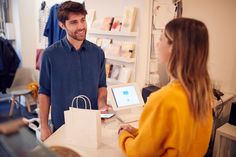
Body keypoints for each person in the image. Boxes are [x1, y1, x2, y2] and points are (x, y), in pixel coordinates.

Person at [118, 18, 213, 157]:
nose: (157, 43)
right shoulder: (203, 95)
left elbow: (138, 154)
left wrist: (124, 136)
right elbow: (175, 140)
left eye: (161, 39)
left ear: (173, 47)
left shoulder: (163, 99)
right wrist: (138, 133)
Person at [39, 1, 109, 141]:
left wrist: (102, 104)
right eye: (74, 22)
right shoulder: (50, 55)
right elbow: (44, 93)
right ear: (62, 25)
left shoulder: (98, 53)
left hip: (92, 125)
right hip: (61, 126)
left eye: (83, 20)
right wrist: (44, 126)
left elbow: (101, 86)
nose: (81, 26)